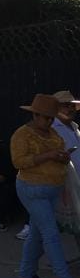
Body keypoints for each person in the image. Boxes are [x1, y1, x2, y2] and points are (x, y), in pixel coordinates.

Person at [9, 93, 80, 278]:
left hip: (53, 190)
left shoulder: (53, 134)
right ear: (35, 115)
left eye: (51, 118)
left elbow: (60, 156)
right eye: (45, 118)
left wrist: (63, 157)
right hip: (32, 189)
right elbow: (18, 162)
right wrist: (49, 156)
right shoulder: (22, 135)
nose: (49, 122)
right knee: (51, 235)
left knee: (38, 237)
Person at [52, 89, 80, 244]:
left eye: (71, 105)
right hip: (64, 183)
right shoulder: (53, 130)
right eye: (65, 106)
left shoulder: (75, 127)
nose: (70, 109)